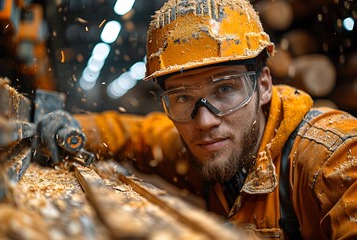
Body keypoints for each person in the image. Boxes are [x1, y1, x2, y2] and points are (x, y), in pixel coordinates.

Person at [37, 0, 357, 239]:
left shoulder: (334, 160)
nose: (204, 121)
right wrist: (75, 127)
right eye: (182, 97)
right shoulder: (202, 148)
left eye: (226, 89)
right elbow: (136, 134)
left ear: (262, 86)